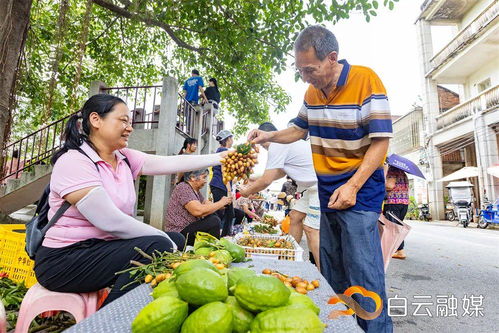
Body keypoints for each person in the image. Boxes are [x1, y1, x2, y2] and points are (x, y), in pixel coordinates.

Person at [247, 25, 393, 332]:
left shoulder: (366, 80)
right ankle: (344, 326)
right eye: (300, 70)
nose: (306, 77)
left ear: (332, 58)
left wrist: (353, 185)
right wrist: (269, 135)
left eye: (310, 69)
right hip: (327, 192)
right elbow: (299, 129)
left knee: (362, 270)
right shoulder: (312, 92)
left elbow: (380, 141)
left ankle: (375, 329)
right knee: (332, 268)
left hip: (359, 190)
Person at [34, 94, 229, 306]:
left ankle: (124, 308)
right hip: (64, 260)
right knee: (160, 244)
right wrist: (163, 238)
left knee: (176, 240)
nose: (130, 127)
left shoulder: (124, 158)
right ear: (96, 120)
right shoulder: (75, 161)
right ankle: (107, 322)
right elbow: (110, 222)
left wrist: (223, 157)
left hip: (101, 248)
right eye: (123, 120)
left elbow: (173, 162)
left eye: (130, 122)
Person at [240, 121, 320, 268]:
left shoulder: (277, 145)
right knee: (295, 217)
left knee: (311, 229)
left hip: (318, 186)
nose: (262, 147)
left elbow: (267, 180)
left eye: (262, 143)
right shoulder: (285, 144)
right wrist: (253, 179)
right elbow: (280, 172)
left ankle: (323, 272)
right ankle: (290, 259)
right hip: (309, 188)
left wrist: (246, 192)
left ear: (265, 135)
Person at [165, 169, 232, 246]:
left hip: (188, 229)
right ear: (193, 177)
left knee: (212, 215)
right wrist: (220, 203)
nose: (205, 181)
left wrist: (222, 204)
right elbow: (198, 211)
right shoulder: (183, 188)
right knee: (213, 221)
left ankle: (213, 246)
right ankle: (214, 248)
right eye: (204, 177)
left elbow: (207, 204)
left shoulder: (195, 191)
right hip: (179, 233)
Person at [209, 129, 235, 237]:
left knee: (226, 213)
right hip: (221, 185)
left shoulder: (219, 151)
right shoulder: (224, 152)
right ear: (228, 139)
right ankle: (220, 237)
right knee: (224, 213)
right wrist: (229, 190)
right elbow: (224, 172)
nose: (233, 140)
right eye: (232, 138)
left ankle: (222, 237)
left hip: (217, 185)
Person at [383, 165, 409, 259]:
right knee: (397, 226)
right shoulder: (403, 174)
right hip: (404, 204)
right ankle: (395, 250)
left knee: (394, 228)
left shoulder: (392, 172)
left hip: (393, 203)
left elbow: (389, 186)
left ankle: (400, 251)